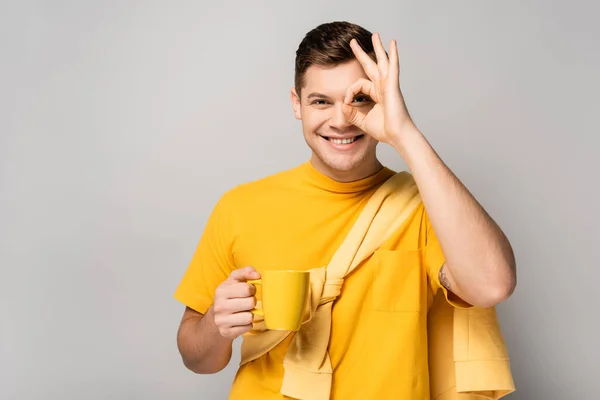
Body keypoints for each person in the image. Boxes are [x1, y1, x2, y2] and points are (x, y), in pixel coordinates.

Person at [173, 21, 517, 399]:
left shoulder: (425, 209)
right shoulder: (239, 207)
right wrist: (215, 327)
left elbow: (491, 284)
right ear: (296, 104)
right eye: (321, 101)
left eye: (359, 99)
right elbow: (197, 358)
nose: (340, 120)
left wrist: (404, 133)